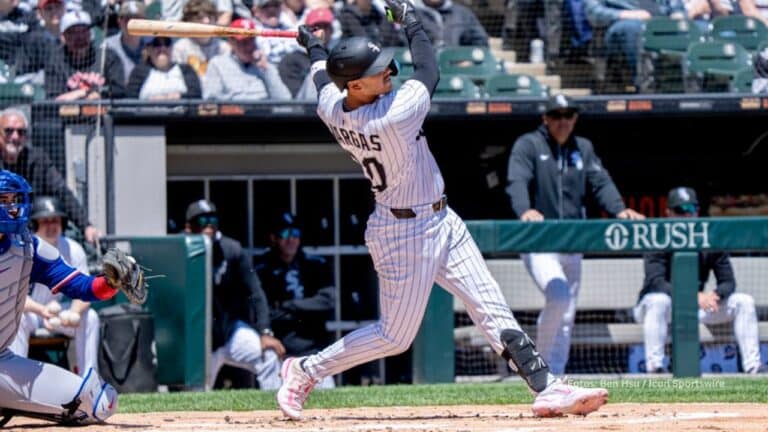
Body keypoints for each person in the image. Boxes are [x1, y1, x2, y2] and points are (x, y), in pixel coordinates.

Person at [277, 1, 609, 420]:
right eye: (378, 71)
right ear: (357, 87)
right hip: (402, 233)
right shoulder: (392, 115)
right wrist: (410, 20)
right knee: (394, 337)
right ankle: (304, 369)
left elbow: (324, 80)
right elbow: (429, 70)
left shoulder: (332, 108)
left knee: (491, 307)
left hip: (441, 219)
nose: (389, 72)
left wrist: (313, 49)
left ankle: (546, 387)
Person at [506, 93, 645, 375]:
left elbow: (600, 181)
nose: (562, 122)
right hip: (540, 240)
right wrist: (524, 210)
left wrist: (619, 209)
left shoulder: (583, 148)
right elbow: (516, 180)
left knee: (567, 314)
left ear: (575, 119)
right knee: (559, 297)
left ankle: (555, 373)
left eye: (568, 116)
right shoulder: (529, 144)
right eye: (556, 116)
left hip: (573, 241)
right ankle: (537, 369)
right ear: (545, 119)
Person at [0, 169, 137, 425]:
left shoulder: (28, 247)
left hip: (2, 361)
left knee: (99, 401)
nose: (12, 208)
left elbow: (81, 287)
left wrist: (111, 283)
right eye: (3, 201)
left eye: (13, 200)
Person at [635, 186, 767, 374]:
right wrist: (693, 296)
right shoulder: (658, 237)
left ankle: (753, 366)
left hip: (693, 307)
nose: (687, 216)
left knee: (743, 301)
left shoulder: (708, 238)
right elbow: (657, 282)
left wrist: (715, 295)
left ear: (698, 211)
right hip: (657, 308)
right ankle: (656, 368)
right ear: (669, 213)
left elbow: (728, 282)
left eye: (691, 209)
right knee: (659, 301)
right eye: (681, 211)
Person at [184, 199, 285, 390]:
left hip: (228, 332)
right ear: (189, 227)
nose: (208, 225)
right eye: (201, 220)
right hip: (197, 340)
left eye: (212, 219)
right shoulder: (181, 248)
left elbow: (255, 291)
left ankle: (278, 409)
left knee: (269, 355)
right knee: (196, 394)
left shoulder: (231, 249)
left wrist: (265, 331)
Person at [10, 196, 101, 377]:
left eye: (55, 220)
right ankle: (16, 380)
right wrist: (42, 310)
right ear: (35, 224)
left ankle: (89, 380)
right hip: (30, 312)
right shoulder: (24, 248)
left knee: (89, 317)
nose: (52, 226)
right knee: (17, 319)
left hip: (57, 312)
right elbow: (14, 297)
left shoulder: (73, 248)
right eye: (45, 221)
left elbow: (85, 291)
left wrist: (73, 313)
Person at [254, 212, 335, 388]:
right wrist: (306, 308)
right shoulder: (262, 269)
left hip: (315, 351)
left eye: (295, 234)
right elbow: (264, 312)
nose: (291, 240)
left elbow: (328, 302)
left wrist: (289, 306)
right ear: (273, 238)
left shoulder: (315, 264)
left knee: (328, 396)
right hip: (281, 351)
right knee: (274, 401)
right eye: (284, 235)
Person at [0, 108, 102, 244]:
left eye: (21, 132)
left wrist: (86, 227)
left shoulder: (38, 160)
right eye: (8, 131)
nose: (15, 137)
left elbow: (62, 192)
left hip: (32, 237)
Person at [43, 10, 125, 100]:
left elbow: (119, 90)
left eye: (84, 31)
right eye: (73, 33)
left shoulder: (107, 57)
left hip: (103, 112)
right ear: (63, 36)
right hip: (68, 113)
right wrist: (84, 93)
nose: (80, 37)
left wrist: (98, 94)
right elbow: (54, 99)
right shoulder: (56, 61)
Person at [203, 18, 292, 100]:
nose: (249, 46)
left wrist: (266, 71)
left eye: (251, 40)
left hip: (264, 113)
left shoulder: (264, 65)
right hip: (233, 115)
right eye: (243, 42)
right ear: (231, 42)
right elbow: (211, 100)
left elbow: (285, 100)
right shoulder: (218, 64)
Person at [278, 7, 335, 99]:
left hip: (334, 106)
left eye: (325, 27)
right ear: (306, 31)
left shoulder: (335, 58)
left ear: (332, 30)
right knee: (318, 72)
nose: (321, 32)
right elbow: (295, 100)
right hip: (306, 108)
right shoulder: (291, 60)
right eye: (316, 27)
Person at [126, 36, 203, 100]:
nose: (162, 48)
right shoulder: (139, 72)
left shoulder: (186, 70)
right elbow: (130, 99)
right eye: (156, 44)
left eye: (167, 43)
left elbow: (196, 95)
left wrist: (174, 97)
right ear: (148, 49)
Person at [172, 0, 232, 79]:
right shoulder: (179, 49)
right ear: (189, 21)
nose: (206, 21)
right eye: (200, 18)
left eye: (210, 17)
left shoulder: (224, 48)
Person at [104, 0, 147, 85]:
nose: (132, 24)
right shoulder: (108, 46)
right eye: (127, 19)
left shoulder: (153, 44)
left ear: (144, 20)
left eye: (137, 19)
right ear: (119, 21)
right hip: (120, 95)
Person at [414, 0, 488, 48]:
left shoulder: (462, 13)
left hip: (456, 68)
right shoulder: (409, 13)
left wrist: (468, 59)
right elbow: (403, 43)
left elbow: (480, 42)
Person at [339, 0, 407, 47]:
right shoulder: (348, 13)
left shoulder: (386, 7)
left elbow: (391, 29)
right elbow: (362, 39)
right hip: (360, 54)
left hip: (388, 49)